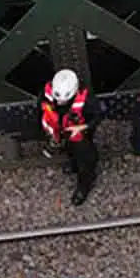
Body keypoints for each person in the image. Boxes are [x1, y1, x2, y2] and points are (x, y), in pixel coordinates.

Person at [40, 69, 98, 205]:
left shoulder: (87, 100)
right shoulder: (46, 93)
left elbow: (97, 116)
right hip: (60, 131)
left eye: (64, 101)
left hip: (78, 135)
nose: (60, 103)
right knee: (69, 151)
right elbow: (41, 109)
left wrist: (82, 127)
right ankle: (74, 165)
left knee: (86, 160)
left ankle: (84, 185)